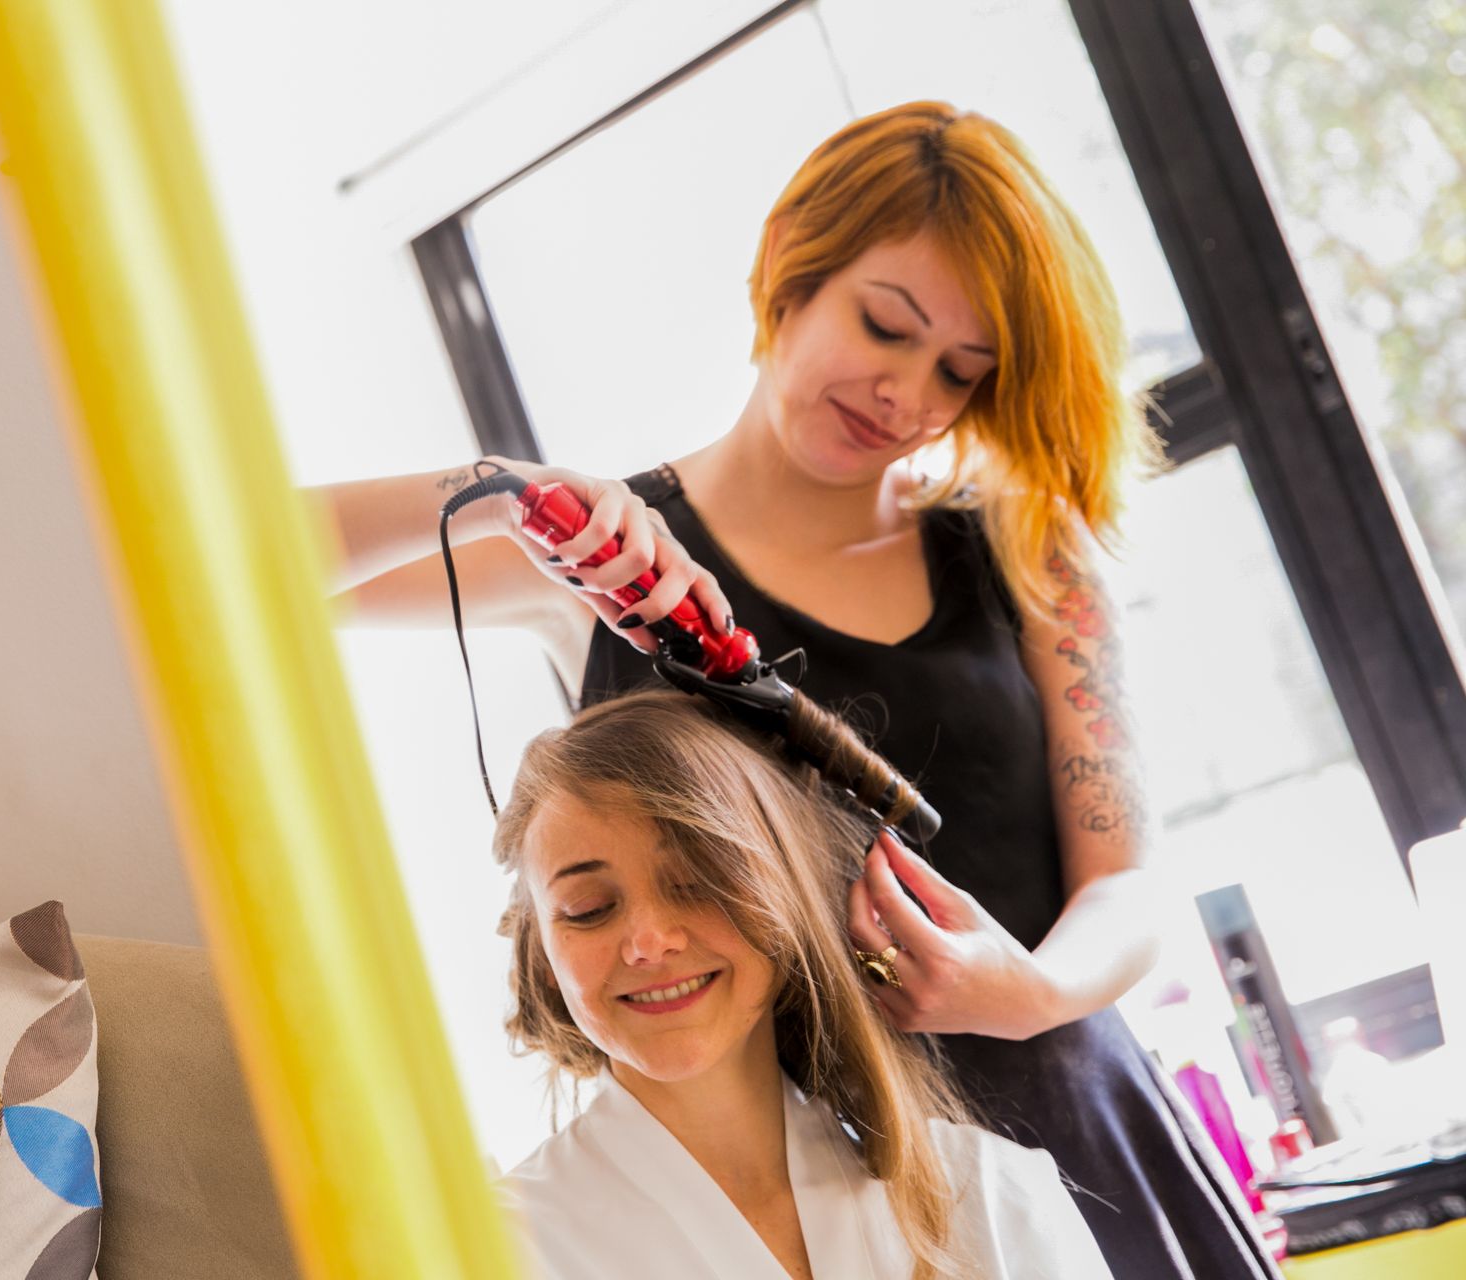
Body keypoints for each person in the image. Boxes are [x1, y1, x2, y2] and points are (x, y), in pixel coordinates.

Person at [318, 101, 1276, 1277]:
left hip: (1072, 1122)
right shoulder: (598, 559)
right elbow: (216, 559)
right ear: (790, 269)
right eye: (887, 325)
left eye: (961, 373)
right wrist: (502, 485)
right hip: (812, 1196)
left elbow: (1123, 879)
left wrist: (1025, 992)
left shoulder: (1028, 550)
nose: (909, 393)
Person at [491, 690, 1110, 1280]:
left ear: (787, 900)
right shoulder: (499, 1249)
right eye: (589, 908)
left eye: (696, 882)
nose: (649, 941)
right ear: (543, 955)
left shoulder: (989, 1193)